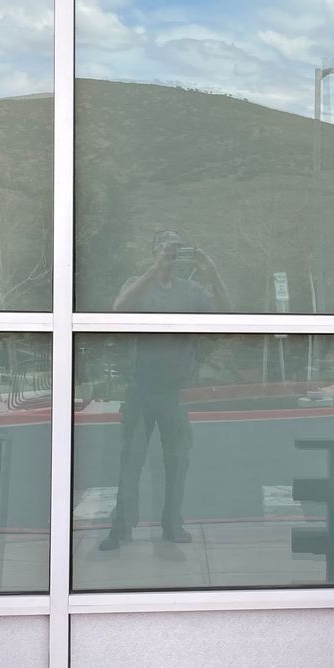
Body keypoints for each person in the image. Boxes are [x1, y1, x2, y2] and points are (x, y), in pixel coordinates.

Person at [99, 232, 230, 551]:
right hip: (139, 386)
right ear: (153, 253)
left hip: (174, 391)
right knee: (130, 461)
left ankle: (172, 525)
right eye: (163, 251)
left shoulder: (192, 291)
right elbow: (118, 308)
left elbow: (225, 315)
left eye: (174, 252)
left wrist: (212, 270)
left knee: (176, 461)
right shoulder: (137, 283)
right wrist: (152, 271)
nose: (169, 257)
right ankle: (121, 526)